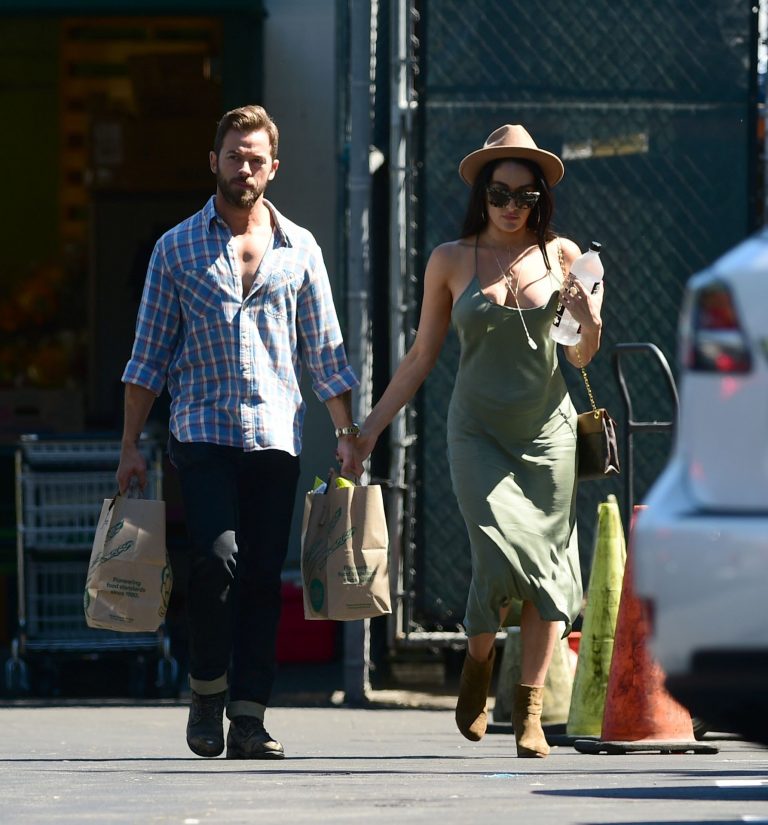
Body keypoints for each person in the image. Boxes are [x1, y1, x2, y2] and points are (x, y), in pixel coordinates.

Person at [349, 124, 603, 758]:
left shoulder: (565, 256)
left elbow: (579, 356)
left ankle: (530, 712)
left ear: (541, 200)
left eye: (526, 195)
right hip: (476, 433)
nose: (512, 206)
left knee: (549, 570)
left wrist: (591, 317)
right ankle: (478, 662)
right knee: (496, 551)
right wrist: (367, 430)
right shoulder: (451, 259)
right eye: (500, 193)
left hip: (547, 434)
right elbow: (420, 357)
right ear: (482, 196)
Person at [116, 105, 360, 760]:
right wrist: (130, 447)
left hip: (275, 433)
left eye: (255, 157)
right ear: (214, 162)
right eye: (233, 155)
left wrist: (346, 433)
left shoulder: (299, 248)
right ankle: (206, 693)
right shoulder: (176, 248)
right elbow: (147, 358)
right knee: (216, 557)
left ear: (272, 168)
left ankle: (249, 717)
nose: (244, 166)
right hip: (202, 430)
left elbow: (325, 353)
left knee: (259, 573)